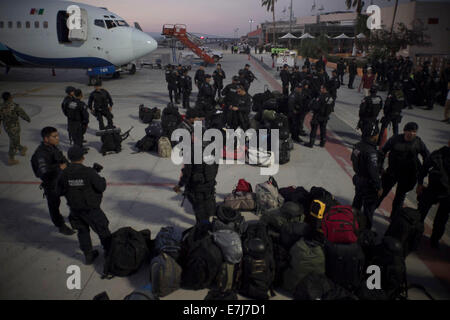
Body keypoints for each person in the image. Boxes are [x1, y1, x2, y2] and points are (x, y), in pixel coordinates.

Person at [58, 146, 111, 264]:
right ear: (82, 158)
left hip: (75, 210)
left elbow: (60, 190)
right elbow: (101, 187)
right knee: (103, 230)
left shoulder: (64, 173)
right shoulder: (89, 172)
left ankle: (88, 255)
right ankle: (109, 253)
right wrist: (100, 178)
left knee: (82, 232)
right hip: (91, 209)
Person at [376, 122, 430, 217]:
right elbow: (382, 152)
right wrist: (380, 168)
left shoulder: (418, 142)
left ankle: (394, 219)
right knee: (381, 193)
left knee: (399, 199)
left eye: (414, 131)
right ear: (404, 131)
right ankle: (369, 210)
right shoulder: (395, 139)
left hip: (408, 175)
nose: (411, 133)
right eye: (409, 131)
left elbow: (427, 157)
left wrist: (422, 173)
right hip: (392, 172)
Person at [31, 127, 75, 235]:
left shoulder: (53, 147)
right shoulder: (40, 154)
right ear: (46, 139)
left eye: (57, 135)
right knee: (54, 206)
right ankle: (60, 225)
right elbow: (44, 174)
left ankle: (74, 218)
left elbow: (62, 160)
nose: (57, 138)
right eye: (54, 136)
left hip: (62, 180)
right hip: (52, 185)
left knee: (73, 198)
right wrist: (60, 168)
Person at [173, 134, 219, 225]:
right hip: (209, 183)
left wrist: (180, 185)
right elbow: (216, 166)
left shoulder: (191, 151)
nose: (191, 137)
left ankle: (203, 227)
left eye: (193, 135)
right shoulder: (212, 148)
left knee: (199, 208)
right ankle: (210, 222)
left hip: (197, 186)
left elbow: (187, 173)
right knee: (209, 204)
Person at [416, 140, 450, 249]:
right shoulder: (439, 153)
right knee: (421, 212)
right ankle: (415, 233)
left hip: (448, 194)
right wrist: (420, 184)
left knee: (441, 219)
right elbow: (424, 167)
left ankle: (434, 240)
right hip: (433, 189)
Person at [351, 121, 383, 230]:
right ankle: (365, 233)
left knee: (356, 203)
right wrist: (378, 186)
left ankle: (350, 224)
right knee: (369, 210)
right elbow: (373, 172)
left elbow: (353, 160)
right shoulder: (371, 152)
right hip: (368, 184)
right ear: (374, 135)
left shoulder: (357, 146)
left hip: (358, 179)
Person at [0, 92, 31, 165]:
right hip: (15, 127)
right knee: (13, 141)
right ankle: (11, 158)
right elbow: (21, 113)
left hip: (7, 127)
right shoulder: (13, 105)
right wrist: (27, 119)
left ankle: (22, 149)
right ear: (10, 97)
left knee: (14, 140)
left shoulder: (1, 106)